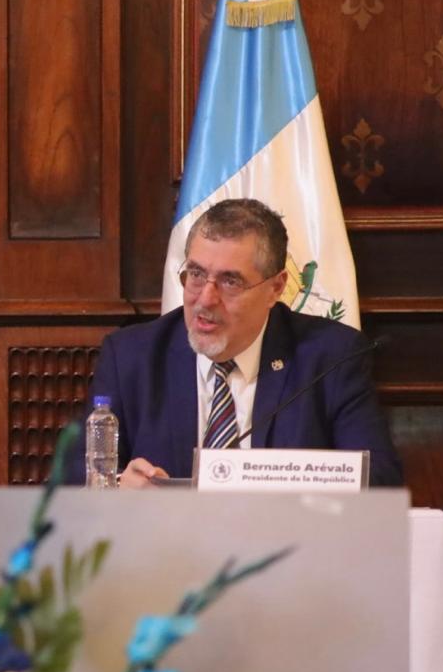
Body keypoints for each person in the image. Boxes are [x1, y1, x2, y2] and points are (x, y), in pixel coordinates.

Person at [66, 199, 401, 488]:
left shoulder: (331, 358)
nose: (205, 299)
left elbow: (378, 482)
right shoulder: (131, 357)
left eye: (230, 281)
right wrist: (117, 488)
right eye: (196, 274)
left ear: (275, 288)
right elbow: (72, 483)